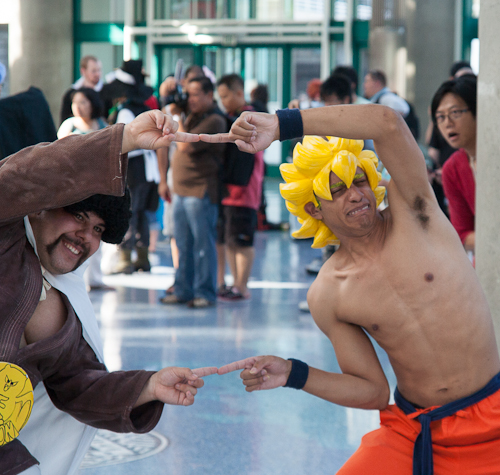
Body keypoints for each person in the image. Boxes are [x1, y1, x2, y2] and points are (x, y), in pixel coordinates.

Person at [200, 103, 500, 474]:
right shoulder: (328, 293)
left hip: (494, 413)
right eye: (337, 190)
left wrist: (282, 124)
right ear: (314, 209)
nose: (356, 195)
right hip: (417, 429)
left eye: (359, 182)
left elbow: (387, 123)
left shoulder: (415, 212)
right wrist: (293, 373)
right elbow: (373, 391)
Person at [0, 110, 216, 475]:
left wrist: (148, 386)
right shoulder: (4, 233)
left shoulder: (64, 306)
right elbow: (21, 176)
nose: (85, 237)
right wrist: (124, 139)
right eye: (79, 216)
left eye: (98, 230)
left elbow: (77, 385)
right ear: (40, 206)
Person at [160, 76, 226, 308]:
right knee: (183, 245)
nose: (191, 99)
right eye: (188, 94)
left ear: (209, 95)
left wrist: (177, 115)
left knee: (203, 246)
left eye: (196, 94)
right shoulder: (191, 116)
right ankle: (183, 290)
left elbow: (185, 144)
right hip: (180, 191)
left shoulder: (215, 120)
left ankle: (205, 293)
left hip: (201, 192)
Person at [216, 73, 265, 300]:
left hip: (245, 192)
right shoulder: (229, 118)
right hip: (228, 191)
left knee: (242, 241)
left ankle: (242, 286)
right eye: (220, 97)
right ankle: (235, 283)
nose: (223, 101)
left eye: (226, 96)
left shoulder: (252, 118)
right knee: (230, 241)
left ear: (238, 92)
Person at [109, 60, 161, 274]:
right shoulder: (145, 109)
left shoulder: (126, 111)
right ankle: (142, 257)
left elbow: (124, 142)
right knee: (140, 214)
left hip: (133, 170)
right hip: (147, 171)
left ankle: (126, 259)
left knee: (129, 213)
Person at [57, 87, 111, 291]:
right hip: (74, 186)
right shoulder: (68, 125)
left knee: (95, 233)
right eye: (75, 102)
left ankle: (95, 278)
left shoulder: (102, 125)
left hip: (97, 186)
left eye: (83, 102)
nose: (78, 107)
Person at [432, 74, 477, 255]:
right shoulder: (452, 169)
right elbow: (462, 234)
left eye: (455, 113)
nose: (448, 123)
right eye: (440, 117)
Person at [60, 55, 103, 126]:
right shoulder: (70, 94)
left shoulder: (106, 92)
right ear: (83, 71)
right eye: (93, 71)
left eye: (99, 70)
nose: (97, 74)